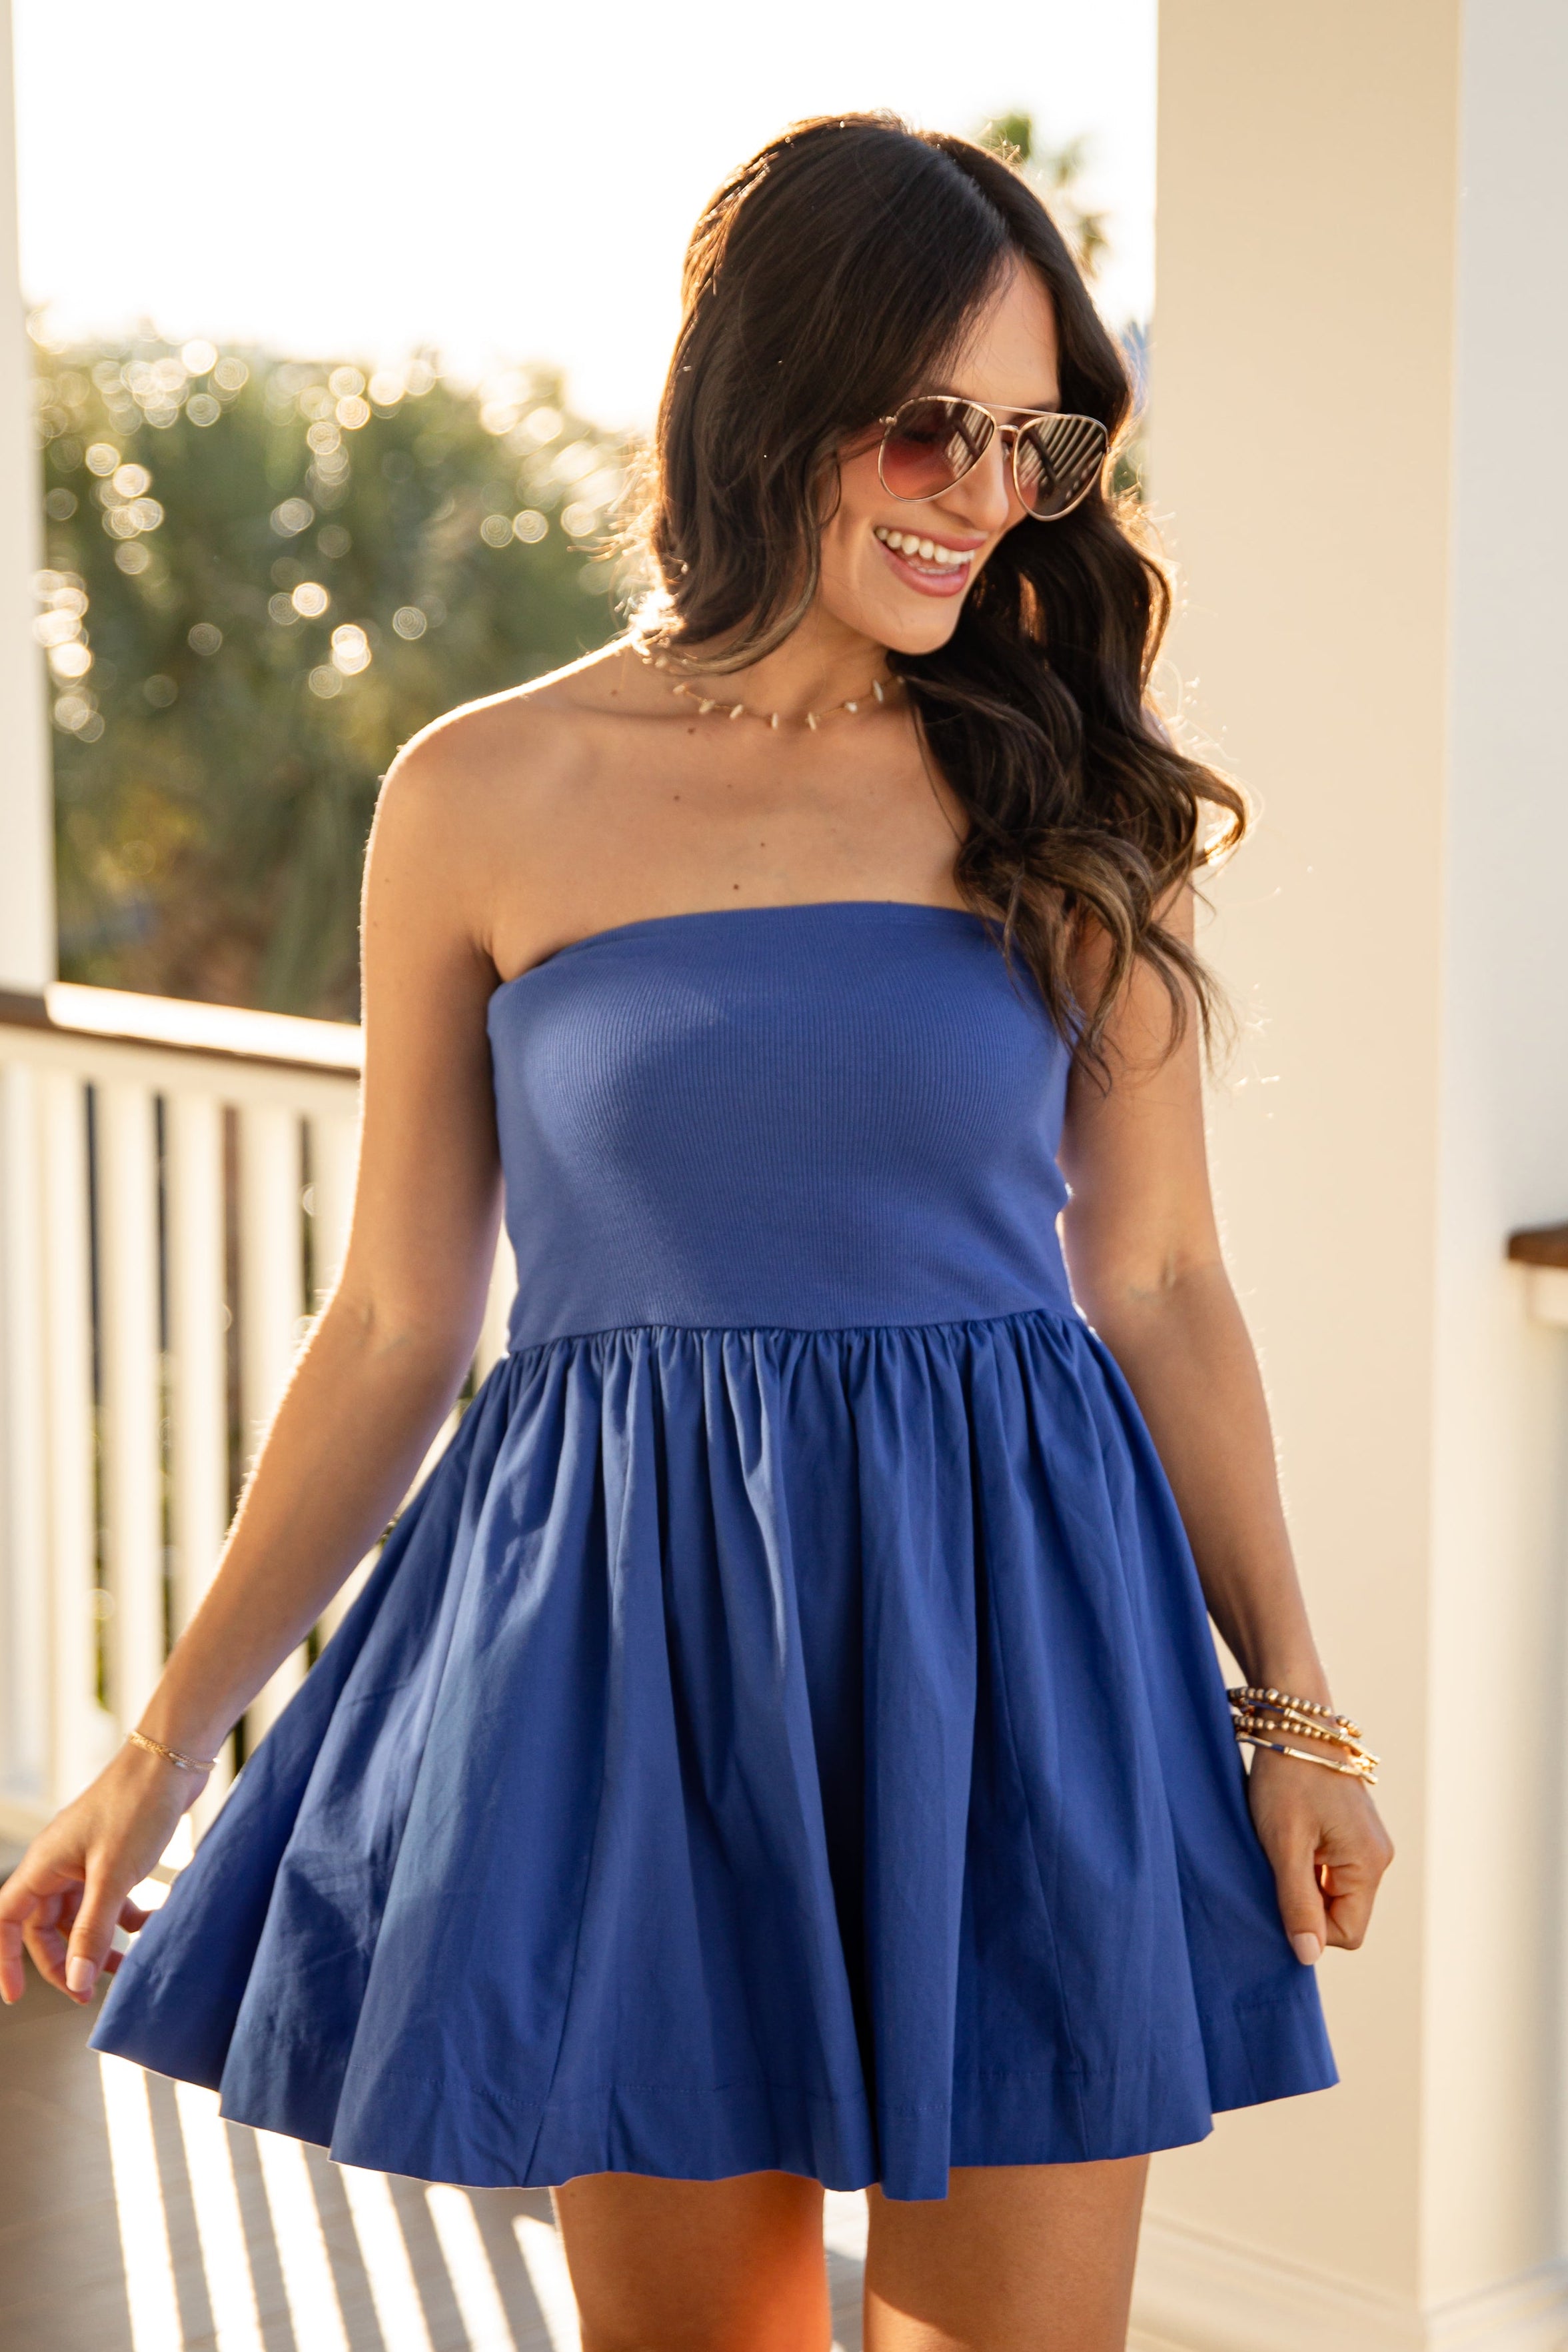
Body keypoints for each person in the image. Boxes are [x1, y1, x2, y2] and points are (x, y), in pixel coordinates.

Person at [0, 115, 1392, 2352]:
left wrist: (1296, 1721)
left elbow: (1154, 1283)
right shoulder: (480, 791)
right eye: (923, 424)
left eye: (1025, 442)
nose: (975, 493)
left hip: (1020, 1626)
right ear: (761, 399)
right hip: (631, 1647)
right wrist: (159, 1746)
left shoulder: (1070, 787)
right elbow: (393, 1320)